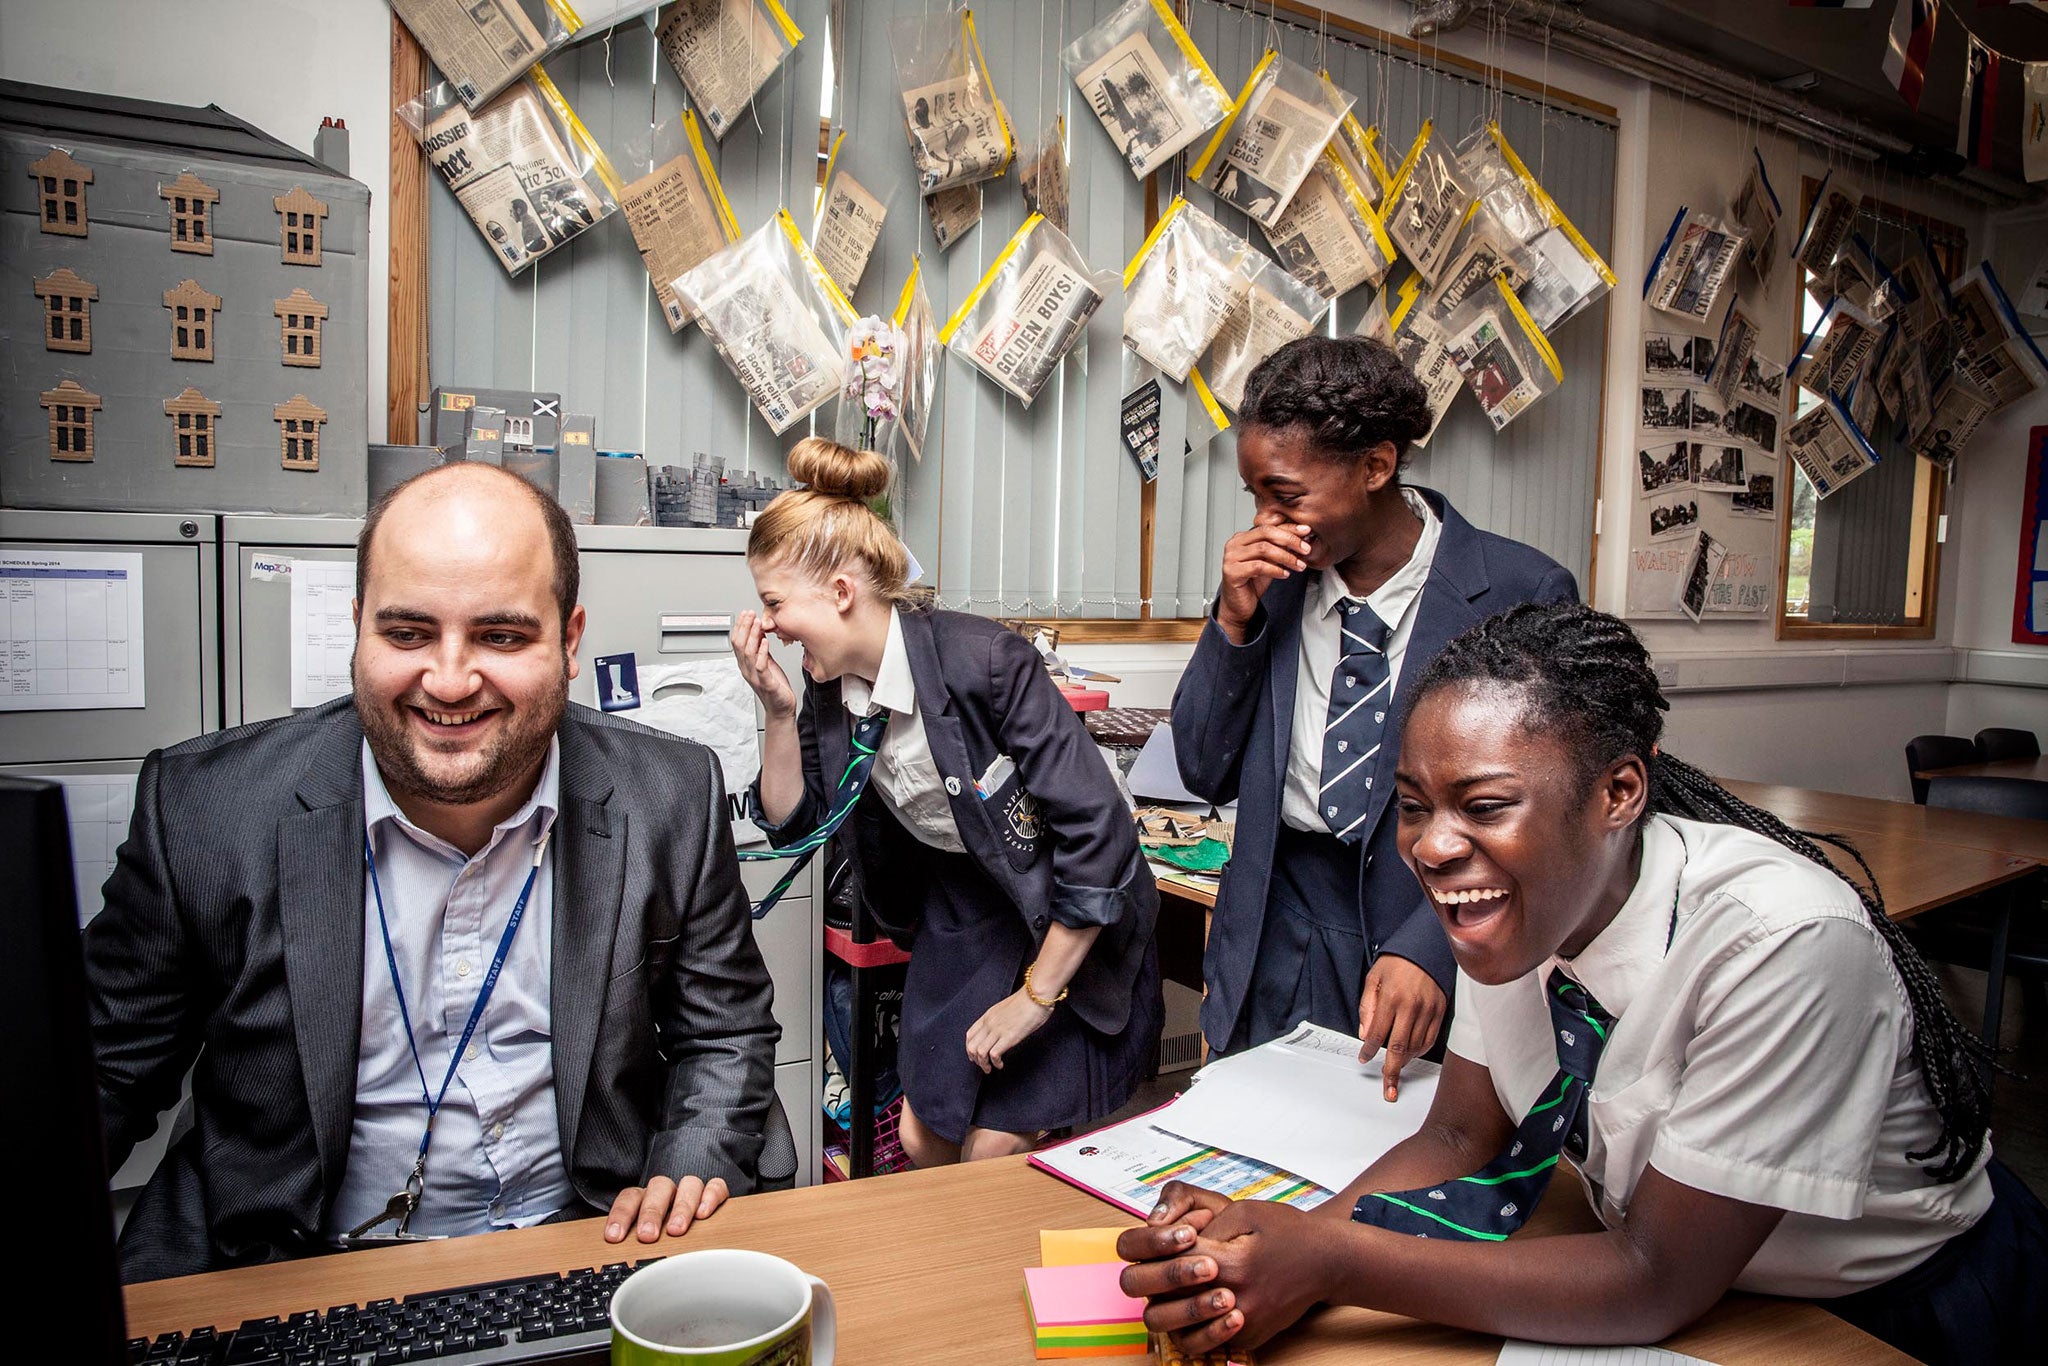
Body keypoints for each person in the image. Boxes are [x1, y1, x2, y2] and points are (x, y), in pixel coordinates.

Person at [1119, 603, 2045, 1364]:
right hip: (1675, 1283)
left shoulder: (1783, 943)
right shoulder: (1518, 903)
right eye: (1412, 807)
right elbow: (1460, 1129)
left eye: (1484, 807)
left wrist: (1331, 1262)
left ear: (1617, 793)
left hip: (1884, 1315)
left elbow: (1655, 1281)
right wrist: (1276, 1245)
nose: (1433, 849)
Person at [86, 463, 783, 1281]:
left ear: (570, 638)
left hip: (584, 1250)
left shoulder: (668, 795)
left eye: (501, 635)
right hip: (297, 1269)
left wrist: (687, 1161)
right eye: (408, 633)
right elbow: (99, 1073)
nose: (449, 682)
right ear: (358, 627)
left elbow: (723, 1031)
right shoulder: (208, 813)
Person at [730, 438, 1161, 1167]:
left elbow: (1099, 833)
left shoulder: (986, 663)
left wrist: (1036, 995)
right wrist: (775, 711)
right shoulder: (829, 690)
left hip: (1064, 911)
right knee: (926, 1134)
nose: (766, 624)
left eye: (774, 603)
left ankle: (995, 1271)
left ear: (840, 592)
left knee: (995, 1146)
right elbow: (795, 822)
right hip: (966, 915)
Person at [1172, 335, 1576, 1086]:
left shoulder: (1524, 591)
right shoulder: (1272, 586)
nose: (1264, 520)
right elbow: (1202, 769)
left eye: (1285, 495)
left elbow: (1550, 812)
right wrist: (1232, 623)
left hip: (1443, 921)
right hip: (1279, 928)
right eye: (1255, 495)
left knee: (1398, 1173)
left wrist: (1430, 945)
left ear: (1377, 466)